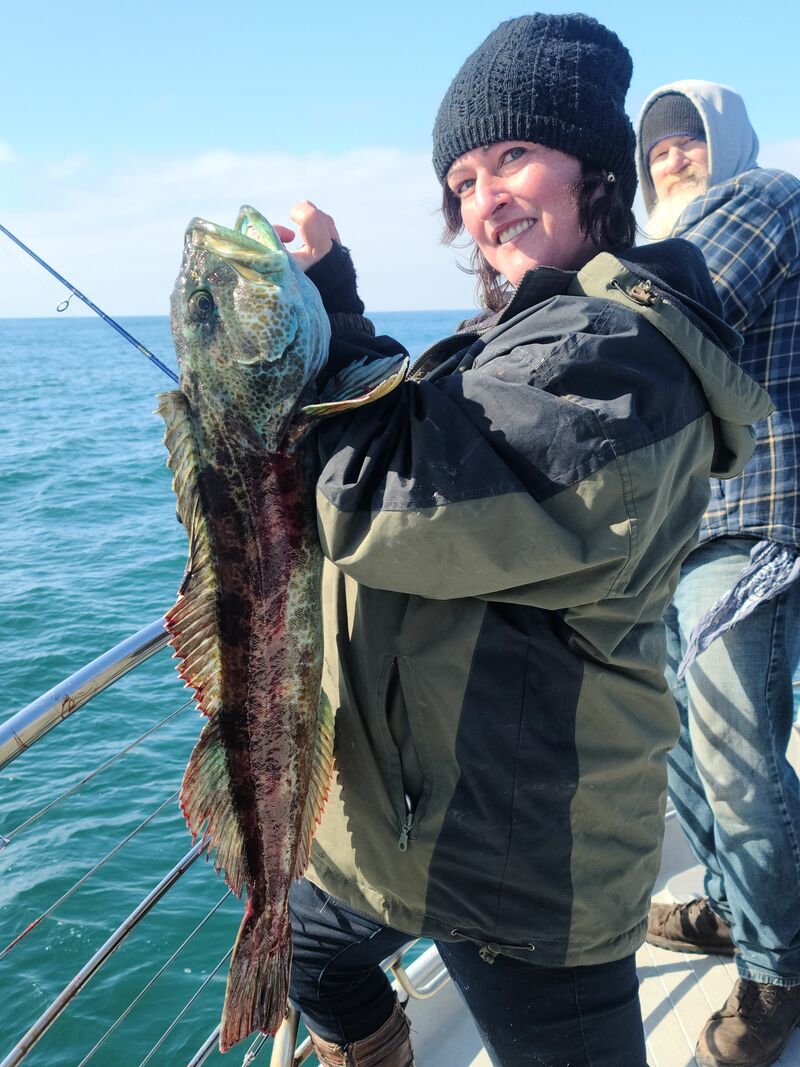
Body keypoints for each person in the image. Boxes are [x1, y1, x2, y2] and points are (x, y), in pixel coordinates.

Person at [274, 26, 771, 1067]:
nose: (482, 198)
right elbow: (423, 425)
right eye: (460, 178)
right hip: (419, 810)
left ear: (594, 166)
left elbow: (387, 501)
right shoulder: (541, 328)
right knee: (310, 947)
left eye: (509, 158)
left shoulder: (613, 351)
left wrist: (286, 371)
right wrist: (333, 293)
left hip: (524, 847)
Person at [636, 81, 800, 1067]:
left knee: (738, 763)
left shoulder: (765, 197)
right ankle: (748, 906)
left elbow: (684, 293)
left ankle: (775, 970)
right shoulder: (649, 245)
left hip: (744, 527)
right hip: (667, 535)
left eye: (685, 139)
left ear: (724, 141)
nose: (669, 159)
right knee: (671, 747)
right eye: (654, 147)